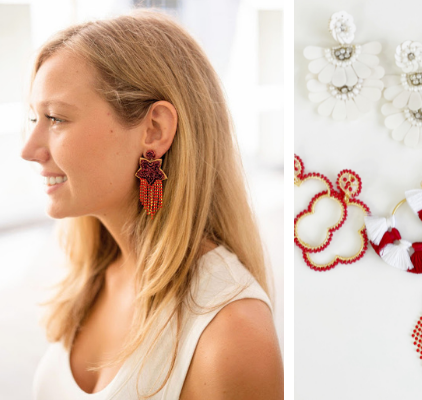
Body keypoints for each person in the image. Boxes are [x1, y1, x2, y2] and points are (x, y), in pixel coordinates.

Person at [20, 9, 283, 399]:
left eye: (56, 118)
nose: (30, 150)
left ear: (154, 130)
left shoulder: (229, 330)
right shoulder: (94, 276)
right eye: (35, 118)